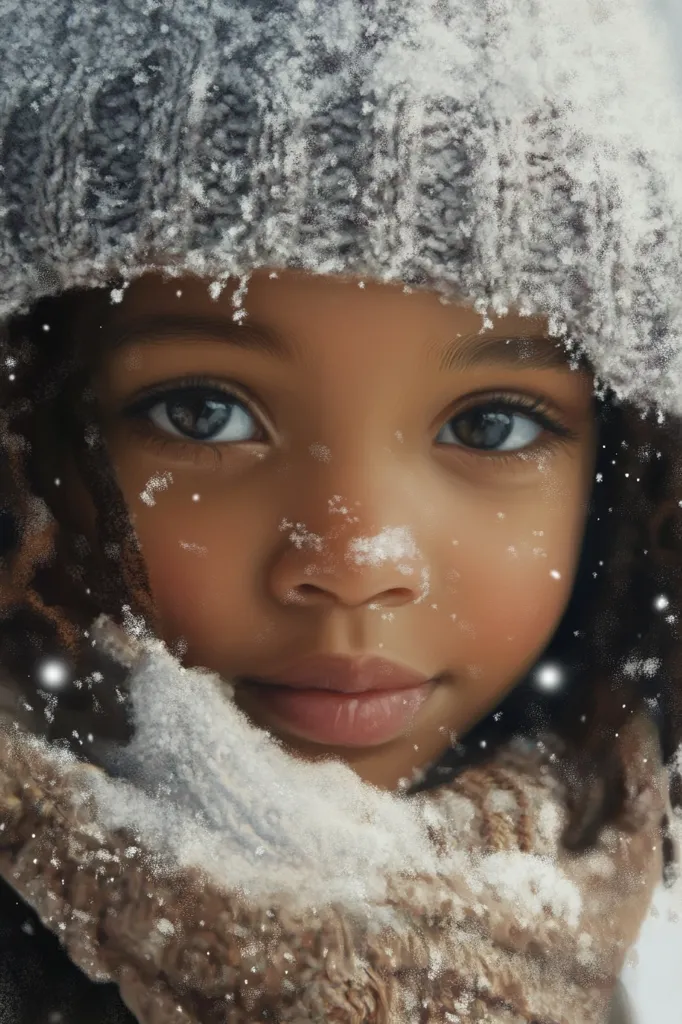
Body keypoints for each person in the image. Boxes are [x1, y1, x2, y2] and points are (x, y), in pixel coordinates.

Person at [0, 0, 679, 1021]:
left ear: (621, 484)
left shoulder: (569, 909)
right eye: (203, 413)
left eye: (490, 424)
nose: (357, 558)